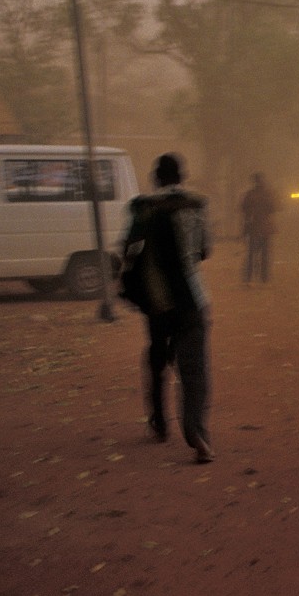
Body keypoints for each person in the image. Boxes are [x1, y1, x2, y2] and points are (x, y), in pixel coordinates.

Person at [121, 154, 215, 464]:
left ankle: (160, 423)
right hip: (193, 300)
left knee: (157, 359)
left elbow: (129, 250)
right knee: (194, 370)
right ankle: (196, 431)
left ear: (156, 177)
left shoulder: (142, 207)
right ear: (182, 176)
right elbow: (204, 250)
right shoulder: (197, 205)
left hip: (158, 302)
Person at [239, 172, 278, 284]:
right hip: (264, 227)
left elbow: (244, 209)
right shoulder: (268, 194)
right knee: (264, 253)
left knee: (251, 253)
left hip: (253, 227)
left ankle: (248, 277)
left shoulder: (250, 194)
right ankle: (264, 277)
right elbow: (273, 208)